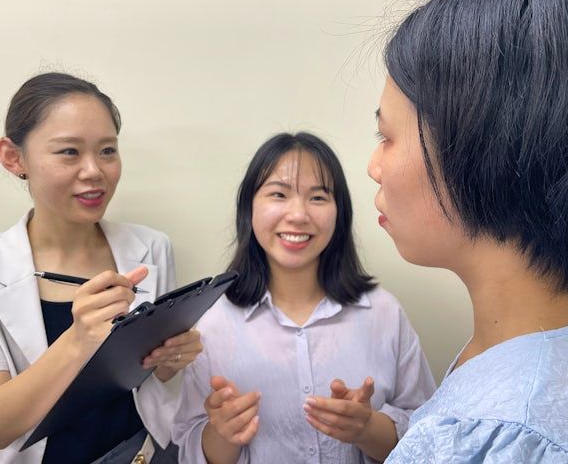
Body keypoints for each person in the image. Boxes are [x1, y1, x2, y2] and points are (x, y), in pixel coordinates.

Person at [367, 0, 568, 462]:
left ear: (477, 146)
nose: (373, 167)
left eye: (386, 137)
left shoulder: (496, 437)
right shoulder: (530, 349)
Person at [0, 72, 202, 463]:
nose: (94, 170)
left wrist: (170, 360)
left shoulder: (152, 248)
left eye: (107, 150)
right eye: (69, 152)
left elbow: (147, 383)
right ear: (13, 157)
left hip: (145, 453)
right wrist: (78, 340)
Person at [172, 132, 436, 463]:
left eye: (318, 197)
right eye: (278, 194)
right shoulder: (212, 325)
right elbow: (190, 448)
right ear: (248, 208)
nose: (298, 215)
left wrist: (367, 428)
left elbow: (430, 436)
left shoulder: (384, 313)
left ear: (339, 213)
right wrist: (223, 433)